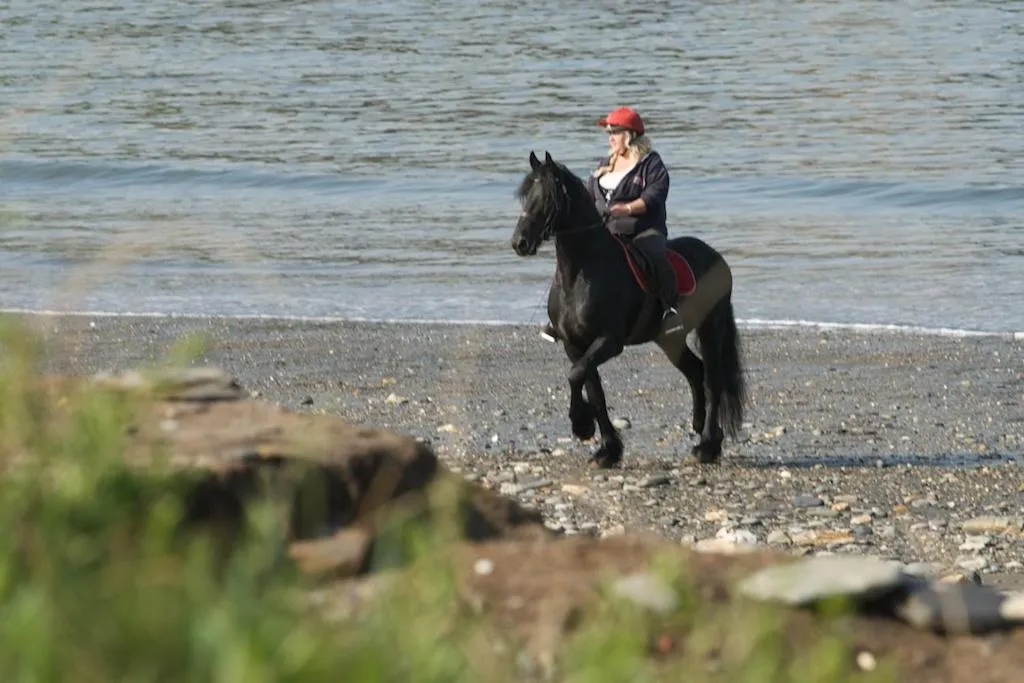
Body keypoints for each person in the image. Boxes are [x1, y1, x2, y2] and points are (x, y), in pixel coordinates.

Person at [541, 106, 684, 342]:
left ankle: (670, 311)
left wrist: (625, 208)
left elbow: (655, 195)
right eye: (609, 132)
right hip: (606, 232)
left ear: (629, 135)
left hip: (643, 230)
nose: (610, 138)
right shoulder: (605, 163)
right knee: (571, 260)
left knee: (656, 256)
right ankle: (560, 316)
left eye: (614, 132)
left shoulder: (651, 163)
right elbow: (588, 197)